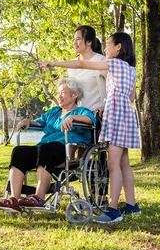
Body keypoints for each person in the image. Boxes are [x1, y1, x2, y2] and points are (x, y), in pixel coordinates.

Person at [39, 32, 141, 223]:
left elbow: (82, 64)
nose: (105, 49)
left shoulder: (114, 64)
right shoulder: (131, 69)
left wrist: (53, 63)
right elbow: (132, 97)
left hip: (116, 116)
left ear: (119, 47)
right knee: (123, 163)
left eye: (109, 45)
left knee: (112, 164)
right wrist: (112, 101)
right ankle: (131, 204)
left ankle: (112, 210)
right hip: (127, 115)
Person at [0, 78, 96, 213]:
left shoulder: (81, 111)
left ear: (74, 95)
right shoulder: (54, 112)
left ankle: (39, 197)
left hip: (63, 150)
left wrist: (72, 118)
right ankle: (14, 199)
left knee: (46, 149)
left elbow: (91, 120)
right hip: (44, 148)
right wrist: (27, 121)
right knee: (19, 151)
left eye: (63, 93)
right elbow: (39, 122)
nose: (59, 96)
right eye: (58, 93)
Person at [67, 25, 108, 114]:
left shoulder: (101, 61)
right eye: (74, 39)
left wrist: (106, 106)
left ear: (89, 42)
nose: (74, 42)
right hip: (76, 117)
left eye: (78, 39)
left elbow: (115, 88)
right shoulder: (71, 64)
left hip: (96, 117)